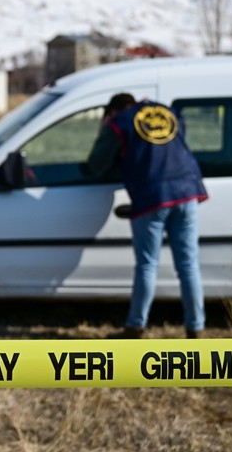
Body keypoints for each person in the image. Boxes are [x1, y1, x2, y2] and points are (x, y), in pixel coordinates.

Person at [84, 96, 208, 339]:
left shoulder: (120, 122)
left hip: (152, 196)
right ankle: (196, 328)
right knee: (188, 265)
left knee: (147, 264)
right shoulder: (167, 112)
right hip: (187, 192)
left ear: (113, 110)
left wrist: (106, 130)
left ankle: (135, 326)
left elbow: (95, 165)